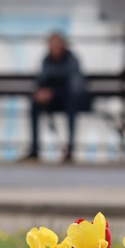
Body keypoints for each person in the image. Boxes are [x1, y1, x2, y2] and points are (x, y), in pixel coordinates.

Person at [24, 33, 91, 162]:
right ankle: (34, 149)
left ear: (63, 45)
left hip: (71, 100)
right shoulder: (46, 60)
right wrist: (40, 92)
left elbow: (75, 87)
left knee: (72, 106)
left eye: (56, 45)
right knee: (34, 105)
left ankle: (70, 148)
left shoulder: (72, 60)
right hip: (53, 100)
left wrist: (53, 92)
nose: (54, 48)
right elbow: (42, 80)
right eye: (51, 45)